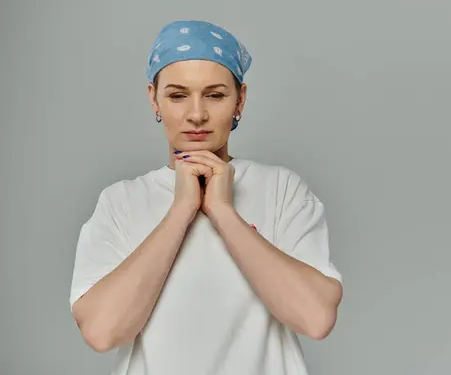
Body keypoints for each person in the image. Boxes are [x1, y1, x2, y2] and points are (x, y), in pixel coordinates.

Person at [68, 20, 343, 374]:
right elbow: (102, 333)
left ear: (240, 99)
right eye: (177, 95)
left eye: (214, 95)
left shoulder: (282, 189)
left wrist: (223, 212)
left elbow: (316, 318)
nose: (196, 115)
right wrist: (181, 211)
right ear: (154, 98)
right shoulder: (121, 201)